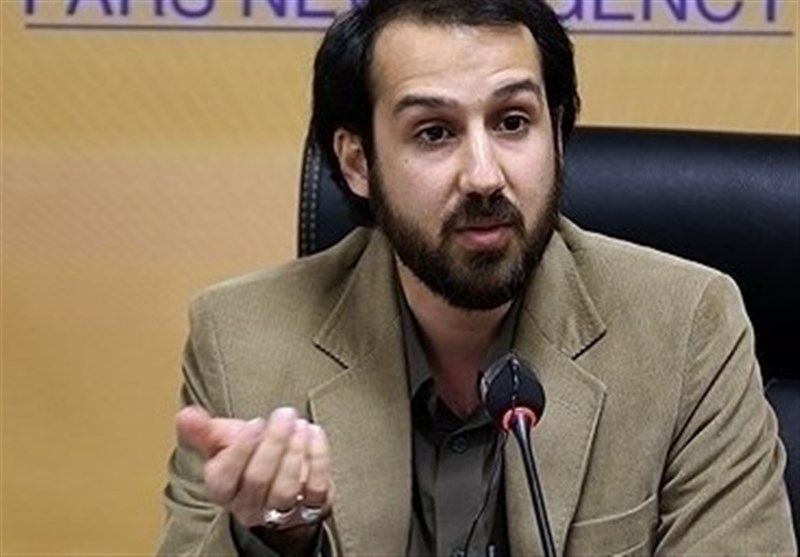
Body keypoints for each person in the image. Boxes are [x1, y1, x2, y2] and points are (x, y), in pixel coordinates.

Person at [156, 0, 796, 555]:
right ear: (357, 163)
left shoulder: (686, 328)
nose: (485, 177)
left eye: (513, 122)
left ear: (556, 134)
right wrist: (277, 541)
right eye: (434, 133)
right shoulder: (241, 341)